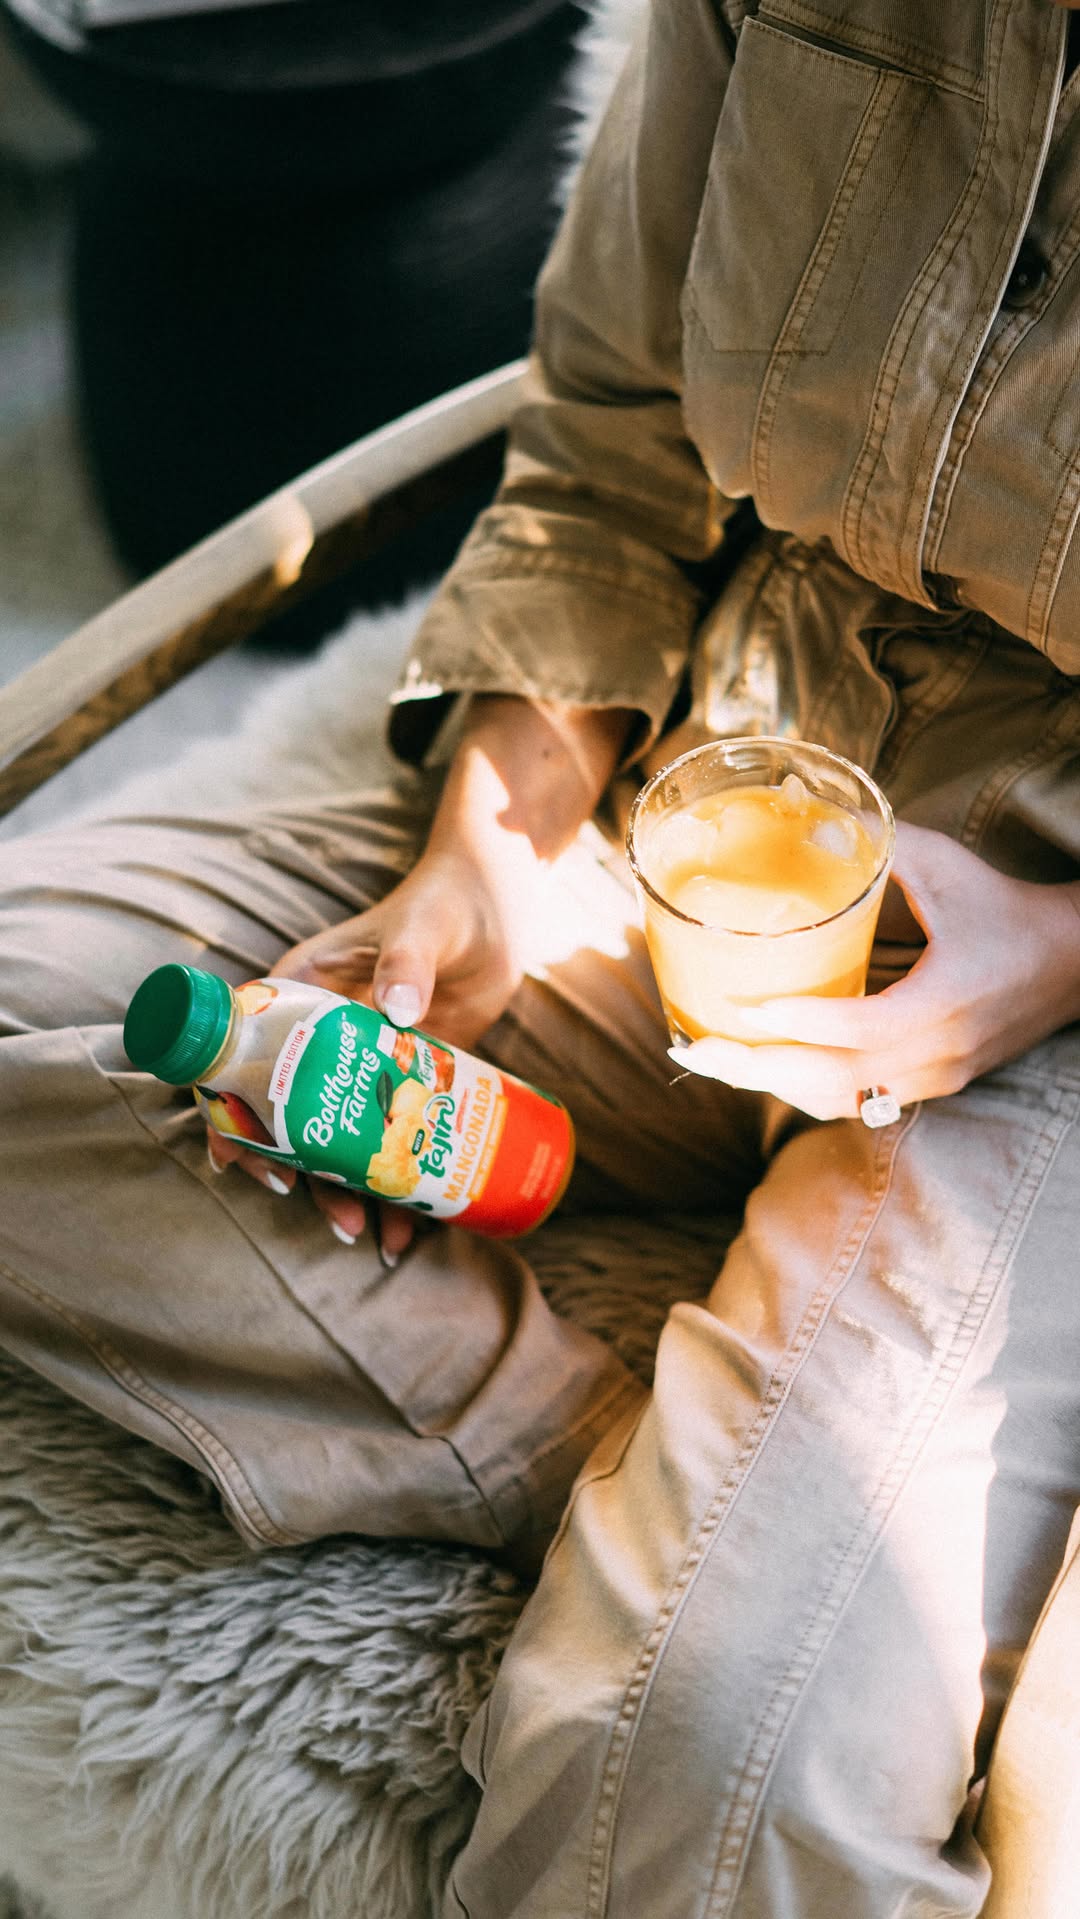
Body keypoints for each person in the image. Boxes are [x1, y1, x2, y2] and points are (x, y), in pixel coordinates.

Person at [3, 0, 1080, 1912]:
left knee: (707, 1773)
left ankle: (720, 1555)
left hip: (1034, 966)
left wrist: (1055, 954)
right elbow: (606, 440)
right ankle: (577, 1450)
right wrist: (489, 851)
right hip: (684, 792)